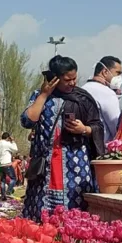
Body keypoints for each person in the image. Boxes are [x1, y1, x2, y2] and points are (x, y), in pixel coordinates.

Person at [21, 55, 104, 222]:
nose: (73, 83)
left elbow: (98, 127)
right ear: (55, 78)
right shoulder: (40, 96)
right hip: (45, 165)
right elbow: (27, 120)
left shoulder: (83, 98)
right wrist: (44, 94)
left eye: (74, 78)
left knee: (75, 213)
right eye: (67, 80)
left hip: (75, 165)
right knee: (41, 211)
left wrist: (84, 129)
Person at [81, 56, 122, 143]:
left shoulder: (83, 89)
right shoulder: (107, 93)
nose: (119, 78)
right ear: (105, 72)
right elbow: (116, 127)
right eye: (118, 73)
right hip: (102, 147)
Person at [0, 132, 18, 199]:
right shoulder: (7, 144)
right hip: (7, 163)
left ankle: (3, 195)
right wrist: (13, 141)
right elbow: (15, 149)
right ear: (8, 138)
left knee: (2, 180)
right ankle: (9, 191)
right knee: (14, 178)